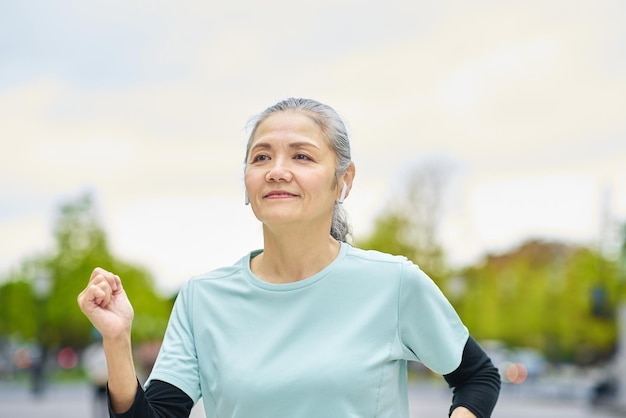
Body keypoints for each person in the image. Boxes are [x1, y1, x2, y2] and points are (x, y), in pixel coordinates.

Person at [77, 97, 501, 418]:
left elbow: (477, 377)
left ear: (343, 181)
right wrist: (117, 342)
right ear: (247, 184)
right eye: (261, 157)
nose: (277, 170)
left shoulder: (393, 283)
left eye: (301, 155)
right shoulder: (201, 299)